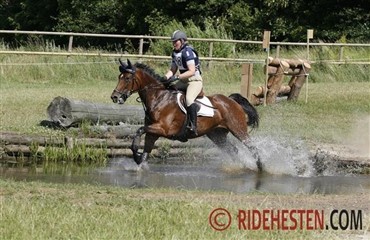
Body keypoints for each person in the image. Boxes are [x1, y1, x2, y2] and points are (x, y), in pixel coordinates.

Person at [164, 30, 203, 136]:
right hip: (183, 81)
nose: (174, 44)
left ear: (182, 41)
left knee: (189, 100)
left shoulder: (188, 52)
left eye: (175, 41)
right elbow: (172, 69)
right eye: (173, 42)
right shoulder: (175, 53)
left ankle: (193, 126)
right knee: (168, 91)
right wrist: (165, 78)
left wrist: (177, 77)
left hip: (194, 81)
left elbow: (191, 71)